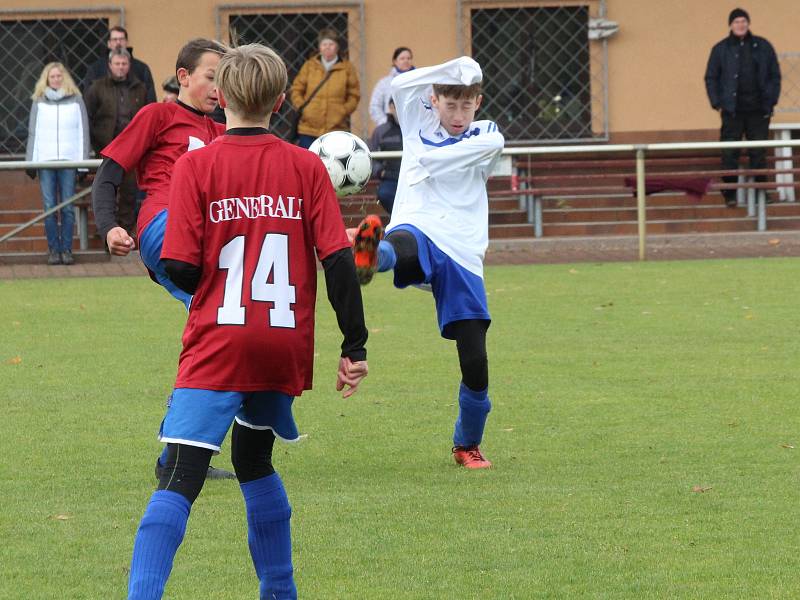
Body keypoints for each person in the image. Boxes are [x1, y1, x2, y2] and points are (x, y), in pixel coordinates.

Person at [126, 43, 369, 600]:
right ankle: (280, 592)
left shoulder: (195, 165)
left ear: (221, 95)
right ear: (281, 100)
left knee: (180, 474)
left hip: (221, 340)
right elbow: (337, 262)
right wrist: (353, 346)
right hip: (281, 344)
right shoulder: (308, 166)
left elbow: (181, 265)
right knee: (255, 461)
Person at [91, 38, 236, 481]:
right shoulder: (158, 115)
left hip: (208, 237)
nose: (218, 88)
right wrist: (110, 227)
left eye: (225, 80)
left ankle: (180, 455)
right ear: (184, 76)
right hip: (165, 226)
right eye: (212, 77)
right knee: (224, 324)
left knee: (221, 329)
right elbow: (108, 176)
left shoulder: (225, 132)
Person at [352, 56, 504, 469]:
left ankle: (466, 443)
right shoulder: (419, 117)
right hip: (418, 225)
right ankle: (369, 255)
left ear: (478, 103)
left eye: (466, 106)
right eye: (449, 105)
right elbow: (404, 84)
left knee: (474, 360)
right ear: (432, 100)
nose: (458, 115)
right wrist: (455, 68)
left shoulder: (487, 134)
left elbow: (442, 159)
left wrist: (426, 154)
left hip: (462, 249)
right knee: (400, 243)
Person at [704, 8, 781, 208]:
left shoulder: (763, 46)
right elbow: (711, 77)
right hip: (732, 112)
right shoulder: (720, 49)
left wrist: (771, 100)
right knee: (729, 152)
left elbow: (775, 75)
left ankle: (761, 193)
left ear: (748, 23)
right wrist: (717, 102)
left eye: (744, 21)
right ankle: (729, 194)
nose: (741, 25)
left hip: (758, 111)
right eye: (737, 21)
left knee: (758, 153)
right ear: (730, 25)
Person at [25, 62, 90, 265]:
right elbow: (33, 133)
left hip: (69, 161)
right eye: (52, 77)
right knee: (49, 206)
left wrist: (83, 163)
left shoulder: (77, 100)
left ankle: (67, 249)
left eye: (59, 76)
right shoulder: (38, 101)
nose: (56, 80)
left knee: (68, 207)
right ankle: (53, 249)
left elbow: (83, 132)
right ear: (46, 79)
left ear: (65, 78)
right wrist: (31, 162)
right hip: (45, 161)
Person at [84, 48, 147, 237]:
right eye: (117, 64)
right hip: (105, 148)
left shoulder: (140, 88)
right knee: (106, 190)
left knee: (129, 193)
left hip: (132, 149)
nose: (120, 67)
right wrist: (94, 144)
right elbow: (87, 116)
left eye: (124, 64)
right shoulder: (97, 87)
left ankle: (126, 233)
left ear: (129, 66)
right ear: (110, 65)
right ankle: (107, 234)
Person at [289, 28, 360, 148]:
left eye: (331, 44)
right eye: (324, 44)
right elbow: (296, 89)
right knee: (308, 162)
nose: (327, 47)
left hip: (336, 128)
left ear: (337, 47)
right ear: (319, 47)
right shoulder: (309, 66)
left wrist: (343, 111)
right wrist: (303, 108)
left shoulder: (347, 68)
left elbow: (354, 94)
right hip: (308, 129)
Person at [82, 25, 156, 104]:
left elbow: (150, 100)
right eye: (115, 39)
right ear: (109, 43)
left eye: (121, 39)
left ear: (126, 42)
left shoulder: (141, 68)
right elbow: (88, 100)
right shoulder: (96, 69)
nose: (118, 42)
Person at [368, 98, 402, 215]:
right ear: (391, 107)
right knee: (384, 194)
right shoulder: (380, 131)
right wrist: (381, 172)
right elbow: (370, 158)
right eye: (398, 106)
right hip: (390, 179)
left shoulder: (415, 129)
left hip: (413, 178)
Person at [368, 46, 414, 127]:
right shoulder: (384, 83)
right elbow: (374, 106)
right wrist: (385, 123)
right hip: (391, 130)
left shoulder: (419, 82)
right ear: (395, 61)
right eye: (402, 58)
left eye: (409, 58)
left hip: (415, 129)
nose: (406, 61)